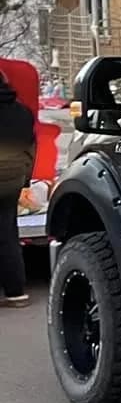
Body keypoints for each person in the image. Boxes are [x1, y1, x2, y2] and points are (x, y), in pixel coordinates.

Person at [0, 70, 34, 308]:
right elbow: (30, 149)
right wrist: (25, 182)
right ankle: (16, 293)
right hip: (12, 178)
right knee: (8, 234)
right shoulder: (22, 112)